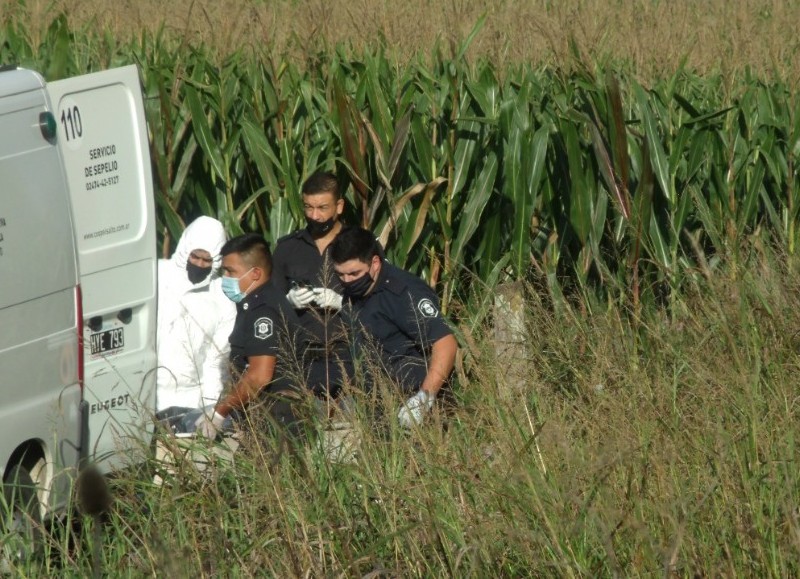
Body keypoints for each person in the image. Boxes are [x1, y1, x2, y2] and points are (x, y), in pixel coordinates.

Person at [329, 227, 458, 427]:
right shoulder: (353, 295)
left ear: (375, 263)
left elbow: (445, 343)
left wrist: (423, 399)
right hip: (379, 410)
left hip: (416, 407)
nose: (347, 281)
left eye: (354, 273)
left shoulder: (402, 293)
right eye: (341, 275)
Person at [193, 233, 304, 439]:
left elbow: (259, 376)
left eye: (231, 271)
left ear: (255, 273)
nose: (225, 277)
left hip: (278, 418)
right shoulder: (257, 303)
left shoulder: (263, 312)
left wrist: (219, 413)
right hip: (268, 415)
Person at [271, 171, 353, 401]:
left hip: (348, 358)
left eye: (322, 208)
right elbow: (270, 303)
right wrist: (287, 302)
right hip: (301, 360)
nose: (314, 216)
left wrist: (342, 302)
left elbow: (380, 298)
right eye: (308, 207)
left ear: (339, 206)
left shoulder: (359, 244)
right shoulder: (287, 248)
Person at [156, 216, 236, 418]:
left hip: (191, 397)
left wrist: (211, 409)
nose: (200, 264)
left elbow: (216, 360)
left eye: (207, 260)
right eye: (195, 257)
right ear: (185, 248)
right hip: (148, 390)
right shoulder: (157, 275)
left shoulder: (221, 297)